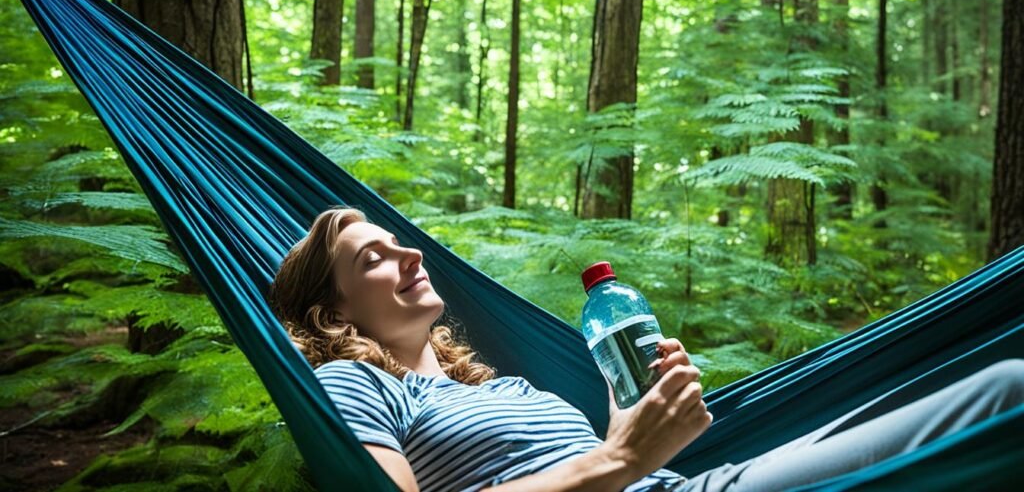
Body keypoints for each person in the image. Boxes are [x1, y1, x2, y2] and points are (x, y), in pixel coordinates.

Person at [267, 207, 1024, 492]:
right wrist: (621, 459)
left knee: (996, 394)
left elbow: (592, 460)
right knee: (1003, 396)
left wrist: (643, 409)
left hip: (687, 482)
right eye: (374, 257)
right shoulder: (353, 384)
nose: (410, 256)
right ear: (331, 310)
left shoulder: (498, 389)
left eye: (402, 243)